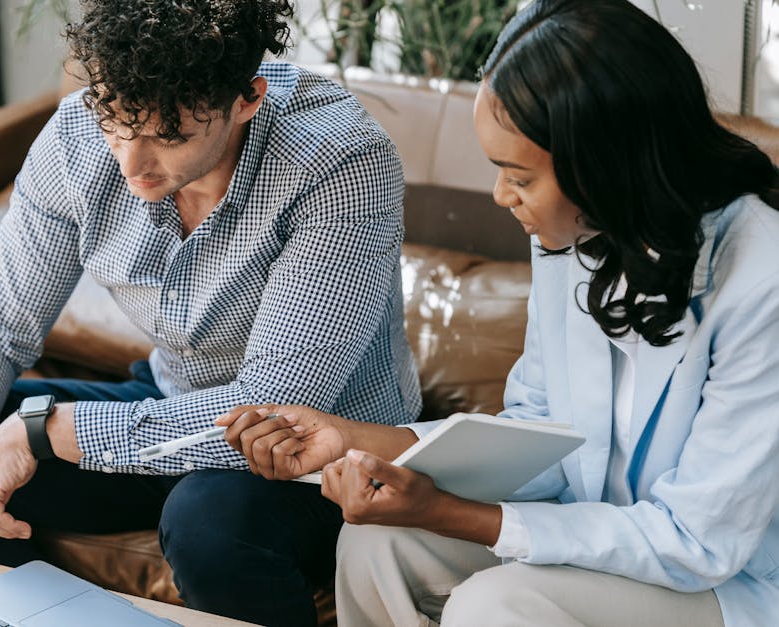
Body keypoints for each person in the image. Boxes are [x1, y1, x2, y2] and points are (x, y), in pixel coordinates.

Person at [0, 1, 421, 625]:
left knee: (208, 522)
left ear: (246, 100)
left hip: (315, 450)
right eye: (115, 123)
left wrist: (50, 431)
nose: (130, 163)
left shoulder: (342, 158)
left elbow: (275, 403)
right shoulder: (77, 138)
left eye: (166, 137)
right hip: (170, 401)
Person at [218, 1, 779, 625]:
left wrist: (445, 512)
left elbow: (699, 544)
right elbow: (539, 438)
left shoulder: (763, 281)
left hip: (726, 581)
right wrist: (350, 440)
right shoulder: (577, 231)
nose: (500, 195)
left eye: (518, 175)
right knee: (378, 544)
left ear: (607, 166)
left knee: (497, 604)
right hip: (599, 533)